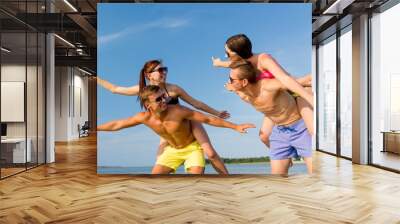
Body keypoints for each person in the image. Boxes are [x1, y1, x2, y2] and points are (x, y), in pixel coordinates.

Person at [97, 60, 230, 174]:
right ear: (149, 75)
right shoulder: (142, 89)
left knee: (210, 152)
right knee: (159, 158)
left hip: (187, 120)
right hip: (167, 126)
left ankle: (227, 179)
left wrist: (216, 112)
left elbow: (195, 103)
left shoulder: (173, 89)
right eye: (160, 70)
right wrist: (94, 77)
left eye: (165, 69)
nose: (164, 73)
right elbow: (114, 89)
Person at [98, 85, 255, 174]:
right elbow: (117, 125)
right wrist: (95, 128)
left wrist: (235, 126)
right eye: (158, 99)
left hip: (191, 148)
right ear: (148, 105)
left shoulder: (179, 111)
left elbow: (208, 119)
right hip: (172, 151)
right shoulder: (144, 117)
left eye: (164, 96)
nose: (164, 100)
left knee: (196, 180)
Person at [212, 34, 314, 148]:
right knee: (264, 136)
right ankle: (283, 156)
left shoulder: (263, 59)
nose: (226, 56)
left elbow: (285, 79)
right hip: (276, 98)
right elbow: (227, 64)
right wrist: (218, 64)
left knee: (312, 131)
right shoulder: (241, 64)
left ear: (238, 53)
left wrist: (309, 97)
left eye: (227, 53)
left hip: (295, 90)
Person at [226, 61, 312, 174]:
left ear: (244, 82)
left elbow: (299, 81)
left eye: (231, 79)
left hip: (301, 128)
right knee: (277, 182)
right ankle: (286, 154)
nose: (229, 82)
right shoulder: (243, 94)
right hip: (280, 133)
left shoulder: (268, 86)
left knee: (317, 175)